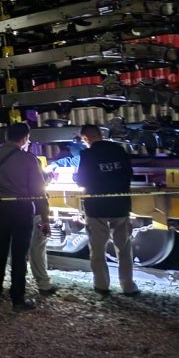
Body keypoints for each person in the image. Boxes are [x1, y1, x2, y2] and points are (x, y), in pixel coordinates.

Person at [0, 122, 54, 311]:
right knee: (19, 255)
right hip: (22, 209)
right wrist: (45, 217)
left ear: (6, 136)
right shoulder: (29, 159)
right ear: (25, 138)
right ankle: (18, 299)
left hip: (1, 208)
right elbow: (38, 192)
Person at [74, 124, 140, 297]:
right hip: (120, 206)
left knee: (97, 250)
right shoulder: (119, 150)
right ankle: (128, 286)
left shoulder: (87, 154)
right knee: (124, 249)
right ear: (100, 134)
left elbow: (81, 180)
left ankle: (102, 286)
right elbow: (129, 174)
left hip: (97, 208)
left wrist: (75, 177)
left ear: (86, 139)